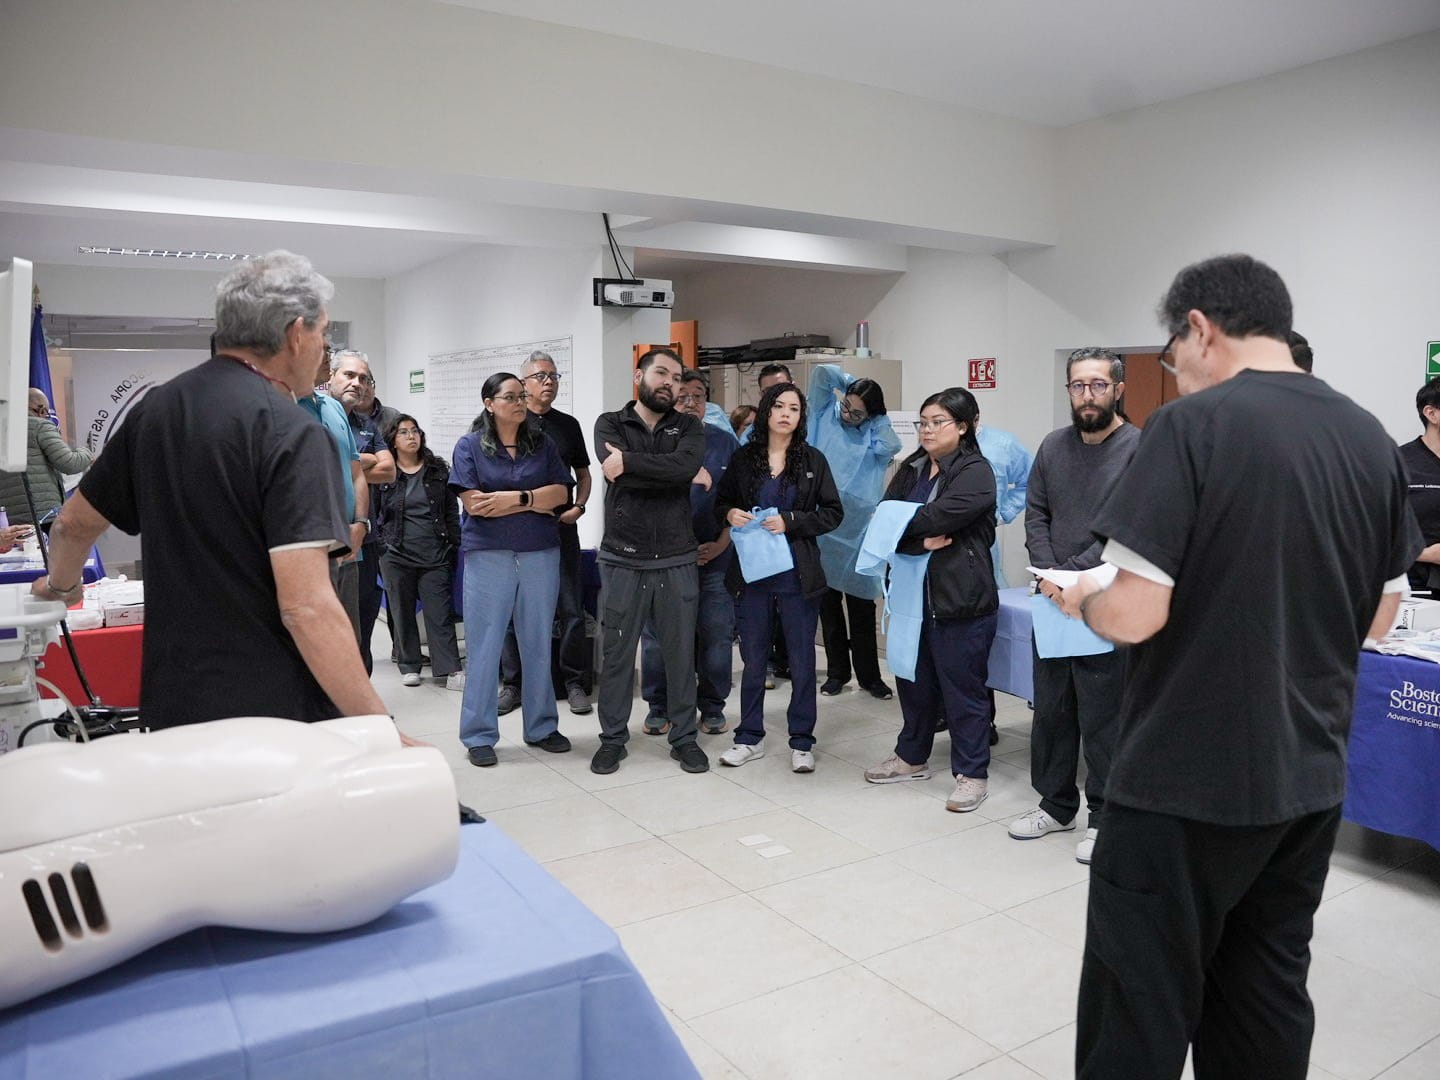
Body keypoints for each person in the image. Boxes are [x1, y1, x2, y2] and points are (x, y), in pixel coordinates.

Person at [1058, 254, 1418, 1080]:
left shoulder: (1194, 427)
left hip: (1183, 780)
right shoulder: (1367, 436)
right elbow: (1379, 613)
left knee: (1138, 1001)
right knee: (1263, 991)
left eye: (1173, 357)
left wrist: (1086, 598)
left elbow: (1137, 612)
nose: (1177, 374)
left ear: (1200, 328)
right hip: (1308, 778)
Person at [33, 250, 389, 728]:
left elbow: (72, 524)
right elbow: (306, 607)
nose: (324, 350)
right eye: (322, 334)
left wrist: (60, 586)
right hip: (272, 711)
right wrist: (377, 723)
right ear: (294, 335)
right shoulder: (295, 434)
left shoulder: (157, 409)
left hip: (175, 697)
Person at [1009, 347, 1141, 864]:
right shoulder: (1053, 446)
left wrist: (1073, 578)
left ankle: (1105, 817)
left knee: (1105, 716)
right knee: (1052, 710)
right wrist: (1048, 577)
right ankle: (1055, 804)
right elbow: (1036, 513)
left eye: (1098, 385)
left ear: (1118, 390)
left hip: (1107, 602)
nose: (1088, 395)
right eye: (1078, 385)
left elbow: (1126, 528)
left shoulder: (1139, 448)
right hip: (1052, 599)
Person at [863, 388, 998, 813]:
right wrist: (918, 541)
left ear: (963, 426)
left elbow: (941, 515)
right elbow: (882, 520)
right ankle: (911, 757)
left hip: (959, 599)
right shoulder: (912, 468)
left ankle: (972, 774)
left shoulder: (976, 471)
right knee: (912, 681)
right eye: (923, 422)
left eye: (938, 422)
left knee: (963, 692)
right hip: (911, 596)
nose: (927, 430)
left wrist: (900, 524)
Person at [590, 347, 709, 776]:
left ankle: (685, 739)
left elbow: (685, 465)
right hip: (623, 557)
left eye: (676, 378)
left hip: (676, 556)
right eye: (661, 373)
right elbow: (665, 471)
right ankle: (612, 740)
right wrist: (672, 471)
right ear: (639, 375)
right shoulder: (610, 423)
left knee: (680, 655)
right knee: (618, 655)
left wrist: (632, 463)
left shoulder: (689, 427)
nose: (669, 383)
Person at [714, 382, 842, 772]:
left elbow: (832, 513)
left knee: (802, 660)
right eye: (780, 406)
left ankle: (802, 740)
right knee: (753, 660)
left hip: (797, 576)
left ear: (801, 417)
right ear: (767, 410)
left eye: (794, 409)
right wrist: (729, 514)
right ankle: (748, 736)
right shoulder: (744, 458)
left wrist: (791, 521)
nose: (786, 414)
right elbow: (722, 501)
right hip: (752, 574)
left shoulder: (813, 459)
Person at [450, 373, 574, 767]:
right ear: (489, 404)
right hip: (488, 555)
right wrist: (536, 501)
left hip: (540, 553)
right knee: (485, 645)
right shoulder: (470, 446)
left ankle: (542, 727)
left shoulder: (543, 444)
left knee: (537, 641)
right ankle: (479, 734)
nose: (520, 403)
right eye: (510, 397)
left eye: (522, 396)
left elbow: (562, 493)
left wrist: (515, 498)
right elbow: (476, 504)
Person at [640, 369, 740, 736]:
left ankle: (712, 706)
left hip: (715, 557)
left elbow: (739, 500)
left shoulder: (725, 443)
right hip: (663, 559)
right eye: (682, 396)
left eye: (698, 396)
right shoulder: (651, 442)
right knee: (658, 638)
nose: (690, 403)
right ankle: (659, 705)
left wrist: (722, 542)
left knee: (716, 635)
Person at [497, 350, 594, 717]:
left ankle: (574, 682)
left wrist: (579, 506)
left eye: (553, 376)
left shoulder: (567, 425)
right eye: (541, 376)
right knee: (513, 608)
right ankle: (514, 683)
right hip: (517, 529)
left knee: (570, 607)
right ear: (523, 384)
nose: (549, 382)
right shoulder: (510, 423)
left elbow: (583, 474)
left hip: (560, 527)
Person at [807, 363, 901, 699]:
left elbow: (891, 445)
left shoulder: (873, 434)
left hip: (858, 530)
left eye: (858, 414)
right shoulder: (824, 413)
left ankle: (870, 677)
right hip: (823, 527)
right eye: (847, 406)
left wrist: (876, 417)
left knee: (862, 607)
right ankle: (837, 673)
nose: (848, 415)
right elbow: (820, 374)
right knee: (829, 606)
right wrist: (851, 385)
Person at [376, 415, 462, 690]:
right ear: (393, 441)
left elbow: (451, 510)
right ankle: (409, 665)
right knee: (401, 612)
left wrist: (454, 543)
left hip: (435, 552)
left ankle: (448, 668)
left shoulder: (437, 470)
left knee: (440, 613)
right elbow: (374, 510)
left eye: (415, 431)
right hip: (395, 552)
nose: (411, 436)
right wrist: (380, 543)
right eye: (403, 432)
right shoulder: (385, 472)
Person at [327, 349, 396, 674]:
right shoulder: (312, 413)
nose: (357, 383)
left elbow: (389, 471)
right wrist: (361, 461)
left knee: (361, 627)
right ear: (331, 377)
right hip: (326, 540)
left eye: (363, 378)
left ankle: (361, 695)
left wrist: (350, 465)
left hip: (365, 537)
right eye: (349, 375)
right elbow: (321, 468)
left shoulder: (365, 423)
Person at [307, 347, 367, 643]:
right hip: (309, 551)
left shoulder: (333, 408)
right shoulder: (282, 408)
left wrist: (361, 524)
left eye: (363, 378)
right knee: (316, 644)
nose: (327, 353)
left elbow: (357, 473)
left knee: (349, 640)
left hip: (348, 546)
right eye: (321, 346)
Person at [0, 388, 93, 525]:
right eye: (47, 414)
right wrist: (87, 451)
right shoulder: (40, 426)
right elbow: (70, 464)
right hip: (43, 515)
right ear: (41, 410)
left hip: (9, 522)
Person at [975, 418, 1032, 588]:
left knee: (984, 591)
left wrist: (1002, 513)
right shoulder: (934, 443)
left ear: (976, 417)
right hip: (938, 537)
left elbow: (1033, 481)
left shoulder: (1002, 444)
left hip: (981, 537)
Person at [1401, 377, 1440, 594]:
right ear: (1431, 413)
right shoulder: (1398, 462)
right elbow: (1370, 532)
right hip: (1415, 590)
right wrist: (1426, 554)